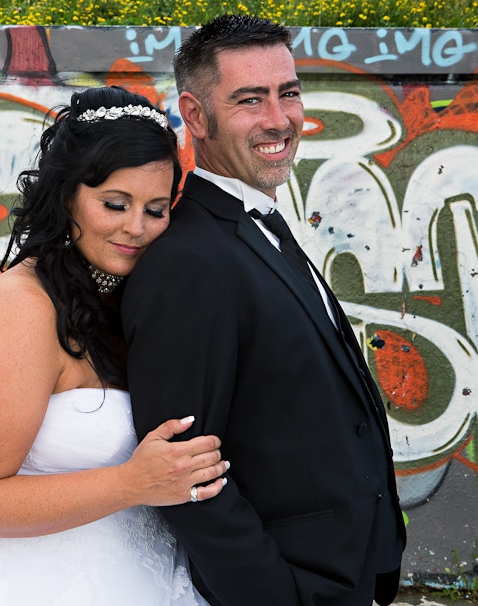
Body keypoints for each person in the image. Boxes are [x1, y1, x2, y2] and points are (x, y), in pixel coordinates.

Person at [0, 86, 229, 605]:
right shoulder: (23, 310)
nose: (137, 228)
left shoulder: (130, 295)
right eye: (114, 204)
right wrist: (132, 483)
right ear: (66, 196)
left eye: (155, 209)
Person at [122, 14, 406, 606]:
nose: (279, 119)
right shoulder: (188, 261)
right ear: (196, 115)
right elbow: (184, 474)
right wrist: (275, 594)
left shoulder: (260, 224)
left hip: (349, 570)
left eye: (289, 93)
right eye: (250, 100)